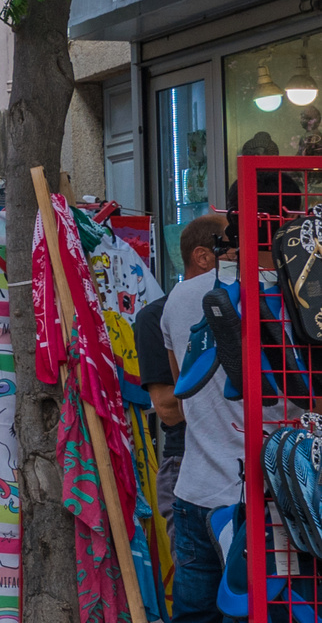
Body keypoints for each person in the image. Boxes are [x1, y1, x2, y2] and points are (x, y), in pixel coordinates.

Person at [162, 213, 250, 623]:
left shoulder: (178, 299)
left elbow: (181, 393)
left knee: (195, 616)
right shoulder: (287, 290)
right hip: (260, 498)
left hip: (196, 488)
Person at [134, 228, 217, 521]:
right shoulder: (156, 316)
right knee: (195, 562)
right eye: (231, 254)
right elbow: (167, 408)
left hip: (239, 457)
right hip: (186, 457)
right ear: (203, 257)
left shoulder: (242, 303)